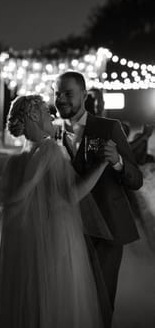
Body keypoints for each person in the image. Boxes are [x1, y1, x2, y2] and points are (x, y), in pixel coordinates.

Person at [0, 94, 112, 328]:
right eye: (47, 112)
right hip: (56, 244)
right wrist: (102, 165)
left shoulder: (15, 162)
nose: (52, 115)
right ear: (34, 116)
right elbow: (71, 196)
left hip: (27, 251)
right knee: (58, 306)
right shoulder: (50, 151)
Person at [54, 71, 143, 324]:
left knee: (101, 300)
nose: (61, 99)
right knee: (72, 297)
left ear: (84, 95)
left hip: (108, 229)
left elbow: (137, 179)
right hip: (69, 230)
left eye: (68, 93)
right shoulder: (54, 134)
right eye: (57, 93)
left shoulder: (108, 128)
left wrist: (117, 162)